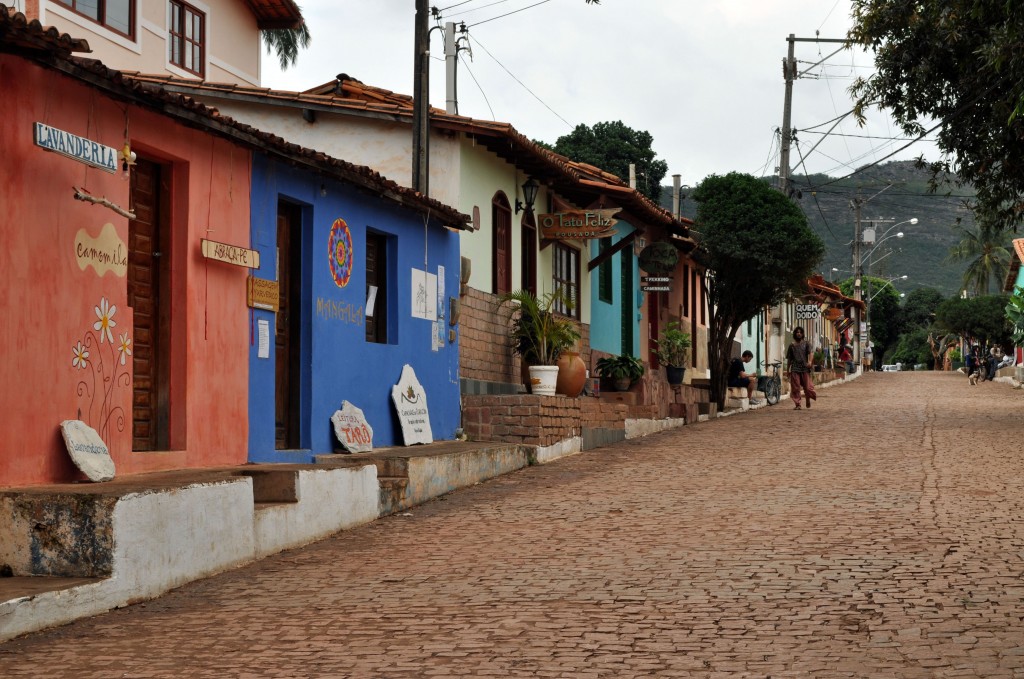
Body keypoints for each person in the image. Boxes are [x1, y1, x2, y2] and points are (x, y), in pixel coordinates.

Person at [786, 326, 817, 410]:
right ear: (795, 334)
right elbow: (789, 359)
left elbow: (811, 353)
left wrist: (810, 362)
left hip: (805, 368)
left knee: (808, 388)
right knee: (796, 388)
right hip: (795, 369)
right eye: (797, 332)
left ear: (802, 334)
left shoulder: (806, 344)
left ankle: (808, 397)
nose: (798, 334)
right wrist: (788, 370)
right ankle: (798, 404)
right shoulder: (791, 346)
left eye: (800, 332)